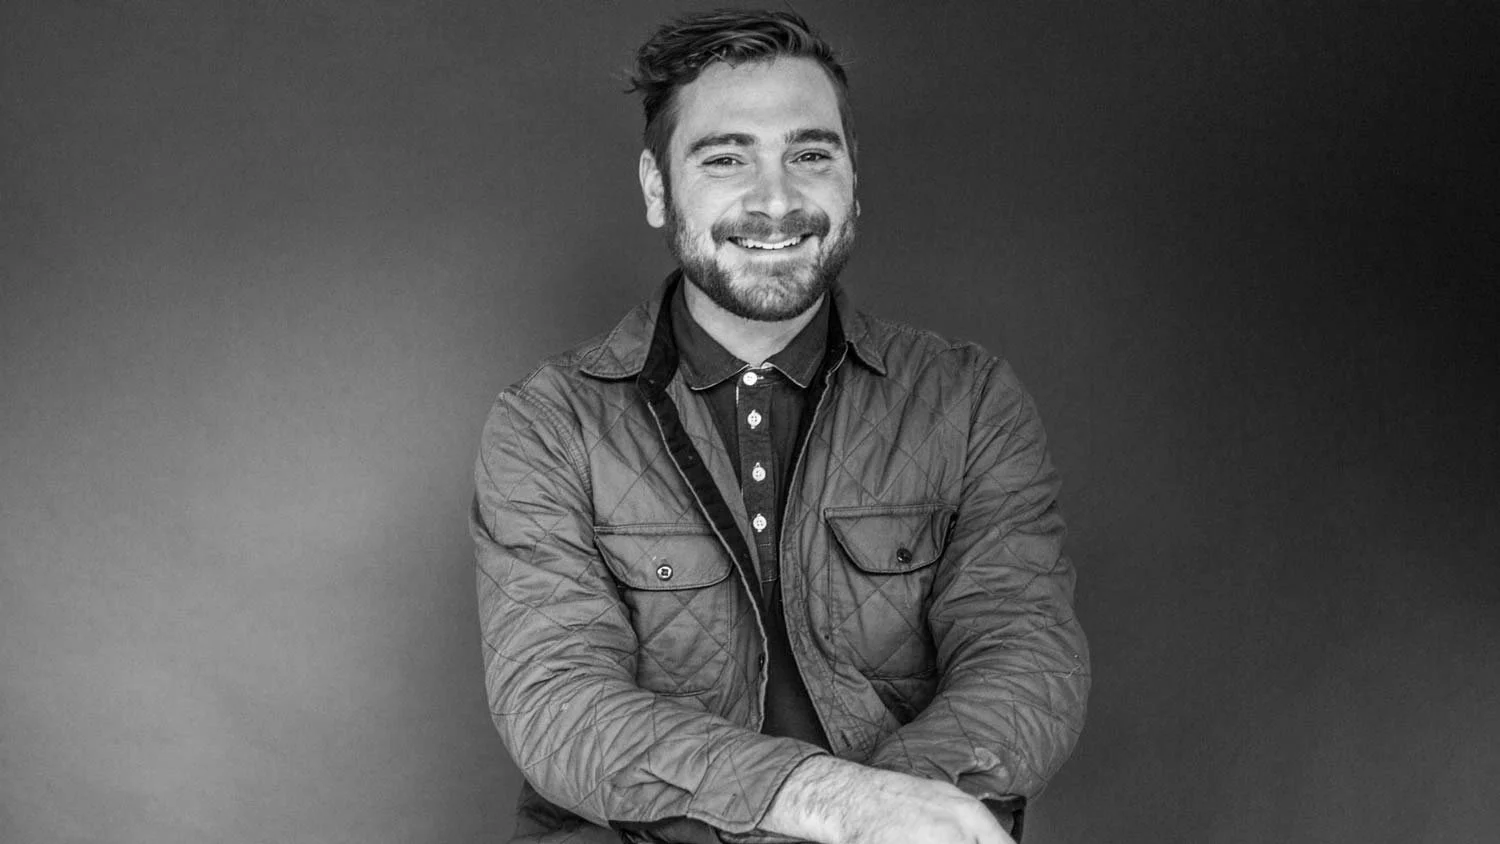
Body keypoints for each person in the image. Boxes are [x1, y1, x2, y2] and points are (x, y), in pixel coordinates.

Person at [471, 9, 1089, 843]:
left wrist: (892, 815)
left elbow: (1024, 657)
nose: (776, 200)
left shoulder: (969, 399)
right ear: (659, 190)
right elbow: (560, 703)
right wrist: (835, 805)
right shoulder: (547, 424)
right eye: (727, 158)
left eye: (809, 154)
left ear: (852, 176)